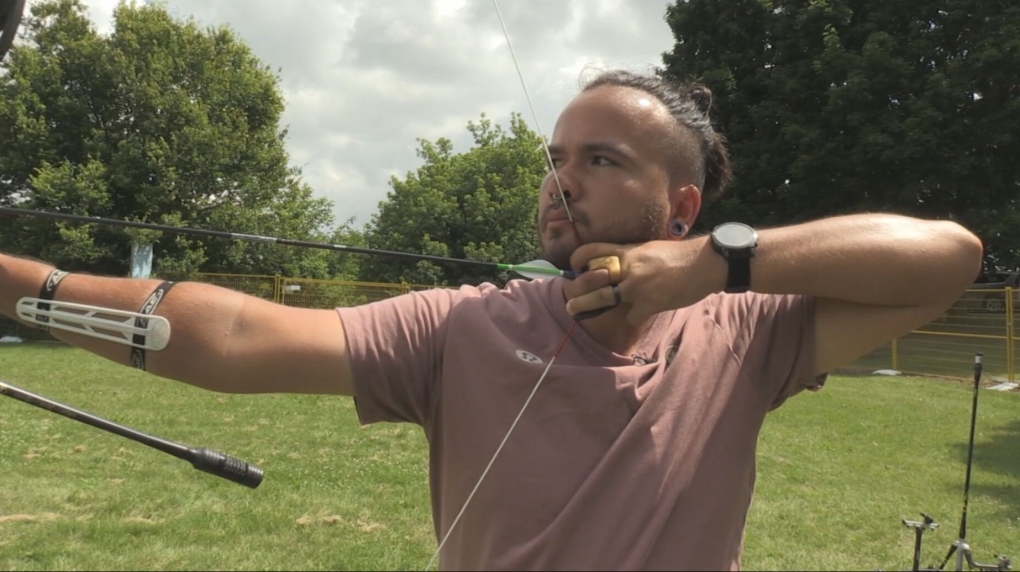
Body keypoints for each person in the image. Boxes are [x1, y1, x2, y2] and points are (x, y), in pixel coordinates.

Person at [0, 70, 983, 570]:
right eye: (558, 155)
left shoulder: (743, 332)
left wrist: (713, 266)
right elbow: (239, 336)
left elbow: (946, 256)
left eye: (601, 159)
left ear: (677, 208)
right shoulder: (466, 325)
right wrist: (18, 285)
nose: (562, 177)